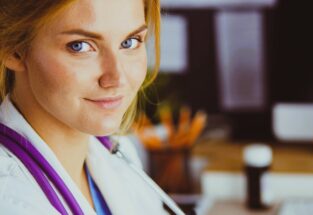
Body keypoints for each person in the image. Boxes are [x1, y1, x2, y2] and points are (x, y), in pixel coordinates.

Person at [0, 0, 182, 214]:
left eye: (130, 42)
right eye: (80, 46)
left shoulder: (119, 155)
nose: (117, 78)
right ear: (13, 49)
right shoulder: (10, 200)